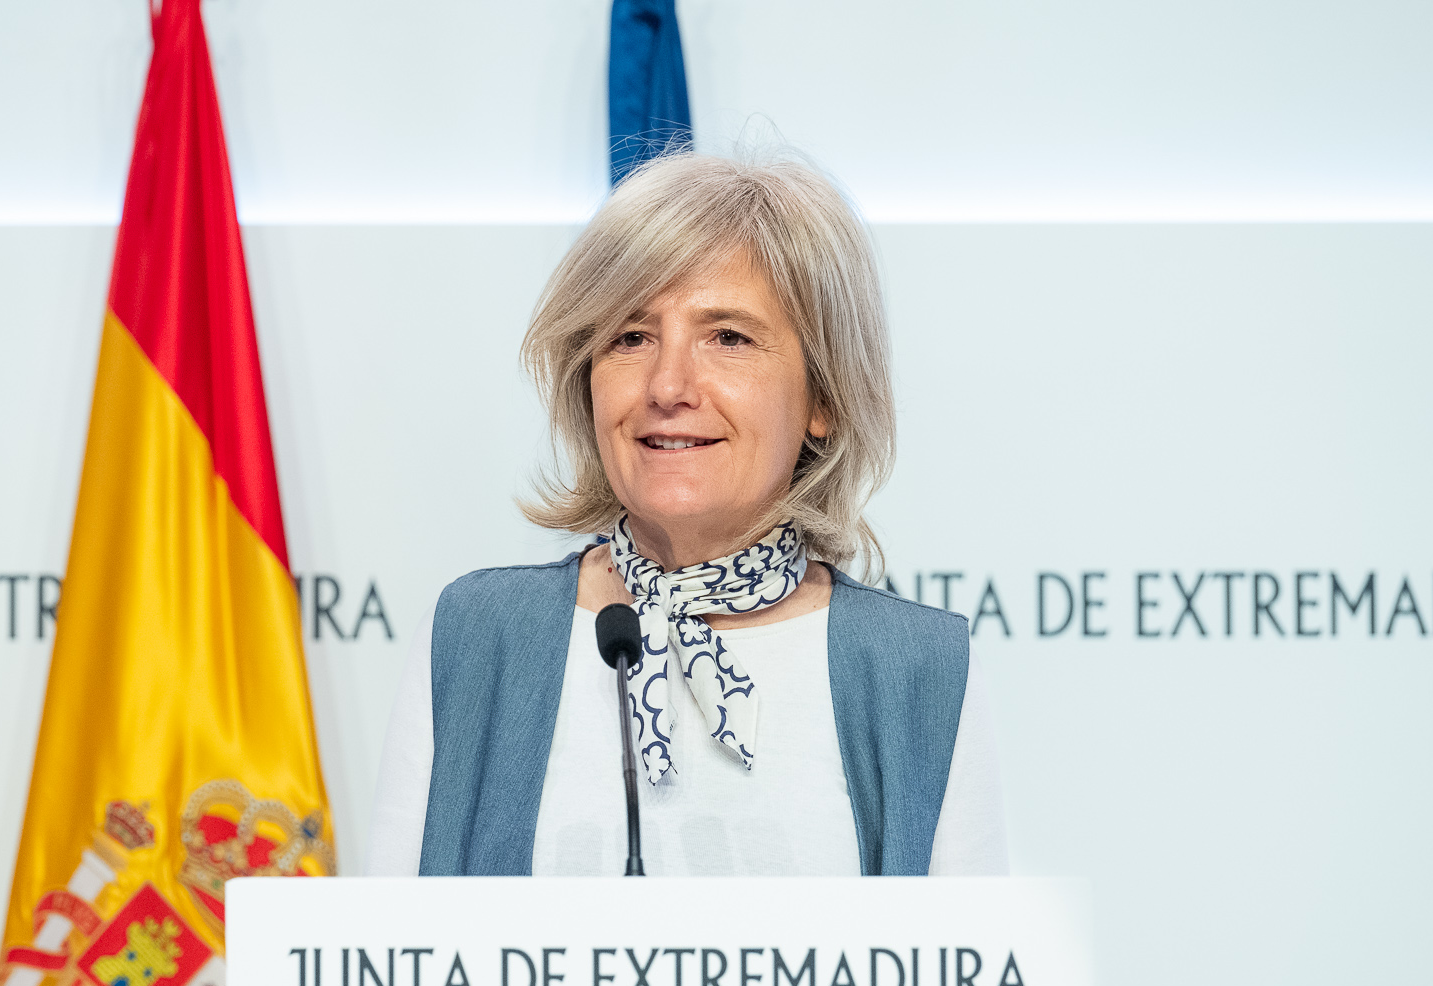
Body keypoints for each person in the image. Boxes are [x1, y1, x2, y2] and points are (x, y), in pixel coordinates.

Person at [366, 151, 1005, 878]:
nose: (667, 385)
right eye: (630, 337)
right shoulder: (476, 636)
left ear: (822, 398)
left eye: (727, 337)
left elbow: (958, 985)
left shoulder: (914, 669)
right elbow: (393, 975)